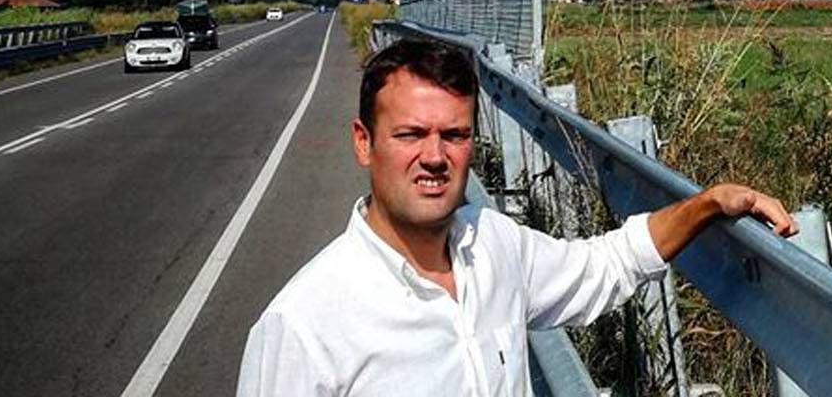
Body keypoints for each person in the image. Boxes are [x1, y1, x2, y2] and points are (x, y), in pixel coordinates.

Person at [237, 38, 796, 395]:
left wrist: (709, 203)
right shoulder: (305, 324)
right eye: (410, 134)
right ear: (364, 142)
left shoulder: (493, 246)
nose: (435, 156)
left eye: (454, 135)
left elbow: (606, 264)